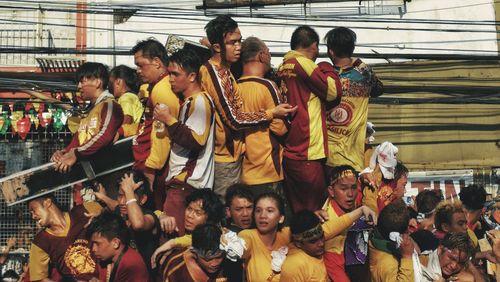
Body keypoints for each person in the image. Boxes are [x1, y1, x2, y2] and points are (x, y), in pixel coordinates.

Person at [201, 15, 296, 201]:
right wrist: (272, 113)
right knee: (227, 213)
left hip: (237, 158)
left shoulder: (226, 71)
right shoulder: (214, 73)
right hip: (225, 159)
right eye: (232, 43)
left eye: (239, 41)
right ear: (217, 47)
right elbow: (235, 120)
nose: (239, 47)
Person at [277, 25, 343, 213]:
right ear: (313, 46)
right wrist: (327, 68)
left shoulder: (283, 66)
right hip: (308, 150)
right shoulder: (303, 64)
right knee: (316, 212)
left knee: (299, 211)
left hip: (291, 148)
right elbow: (333, 92)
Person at [238, 192, 376, 281]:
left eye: (269, 210)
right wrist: (234, 246)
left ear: (281, 218)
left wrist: (360, 211)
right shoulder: (248, 236)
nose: (263, 216)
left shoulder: (288, 234)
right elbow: (240, 247)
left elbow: (326, 229)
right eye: (258, 210)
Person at [153, 48, 216, 235]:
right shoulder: (188, 102)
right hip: (182, 185)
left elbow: (196, 140)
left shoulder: (200, 102)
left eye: (175, 74)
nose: (170, 79)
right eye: (169, 73)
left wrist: (168, 119)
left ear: (191, 76)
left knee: (173, 243)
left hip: (186, 185)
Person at [323, 27, 383, 173]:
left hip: (325, 157)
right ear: (352, 48)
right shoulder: (364, 77)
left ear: (330, 51)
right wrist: (358, 63)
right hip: (354, 159)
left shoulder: (324, 76)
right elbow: (379, 89)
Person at [51, 62, 124, 173]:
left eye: (82, 81)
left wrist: (76, 153)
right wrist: (64, 153)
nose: (79, 86)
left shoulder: (110, 105)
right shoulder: (88, 112)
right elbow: (77, 141)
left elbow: (105, 135)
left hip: (105, 175)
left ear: (97, 82)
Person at [238, 36, 288, 196]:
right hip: (267, 171)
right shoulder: (267, 86)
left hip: (242, 172)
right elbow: (280, 129)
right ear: (261, 55)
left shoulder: (234, 86)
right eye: (268, 52)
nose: (270, 56)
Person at [131, 38, 181, 195]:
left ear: (157, 62)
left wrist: (151, 168)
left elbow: (163, 134)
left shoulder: (162, 90)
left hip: (154, 170)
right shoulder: (156, 87)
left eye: (141, 65)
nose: (138, 70)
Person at [93, 171, 160, 271]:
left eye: (128, 196)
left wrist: (129, 191)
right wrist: (103, 199)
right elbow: (114, 205)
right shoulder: (120, 213)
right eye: (120, 195)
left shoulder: (149, 216)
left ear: (142, 199)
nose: (122, 202)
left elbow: (138, 224)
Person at [27, 194, 104, 281]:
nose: (33, 216)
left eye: (33, 210)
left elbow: (115, 215)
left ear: (47, 203)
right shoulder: (40, 242)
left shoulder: (84, 210)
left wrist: (102, 215)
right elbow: (39, 279)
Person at [317, 165, 371, 281]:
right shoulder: (329, 220)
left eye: (353, 188)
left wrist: (362, 177)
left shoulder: (350, 200)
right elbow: (333, 264)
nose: (350, 194)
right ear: (331, 191)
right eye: (344, 189)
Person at [152, 189, 225, 266]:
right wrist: (162, 216)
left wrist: (172, 243)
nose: (189, 215)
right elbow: (153, 213)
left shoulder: (215, 235)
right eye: (189, 209)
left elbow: (192, 239)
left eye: (198, 213)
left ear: (209, 218)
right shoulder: (179, 221)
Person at [87, 212, 149, 282]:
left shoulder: (131, 264)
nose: (93, 249)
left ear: (115, 243)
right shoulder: (105, 258)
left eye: (97, 244)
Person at [159, 224, 229, 282]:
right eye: (208, 259)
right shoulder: (176, 269)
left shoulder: (231, 255)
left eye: (219, 257)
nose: (215, 263)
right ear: (194, 252)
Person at [369, 200, 414, 282]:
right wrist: (407, 257)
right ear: (396, 236)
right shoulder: (388, 264)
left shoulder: (373, 238)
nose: (409, 230)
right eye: (407, 228)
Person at [280, 210, 329, 282]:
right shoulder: (294, 265)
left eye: (322, 236)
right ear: (298, 243)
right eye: (313, 241)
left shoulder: (313, 252)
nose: (321, 243)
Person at [109, 65, 144, 139]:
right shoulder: (131, 97)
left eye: (111, 83)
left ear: (118, 82)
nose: (109, 87)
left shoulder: (126, 97)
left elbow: (127, 119)